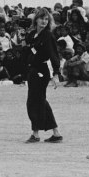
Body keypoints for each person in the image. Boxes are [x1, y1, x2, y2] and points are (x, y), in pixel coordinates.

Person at [24, 8, 62, 143]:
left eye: (46, 19)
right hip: (33, 71)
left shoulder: (48, 36)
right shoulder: (32, 34)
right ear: (36, 20)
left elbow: (54, 56)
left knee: (34, 102)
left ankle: (35, 134)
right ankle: (56, 133)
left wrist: (56, 74)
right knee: (40, 101)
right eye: (41, 18)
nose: (44, 21)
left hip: (41, 72)